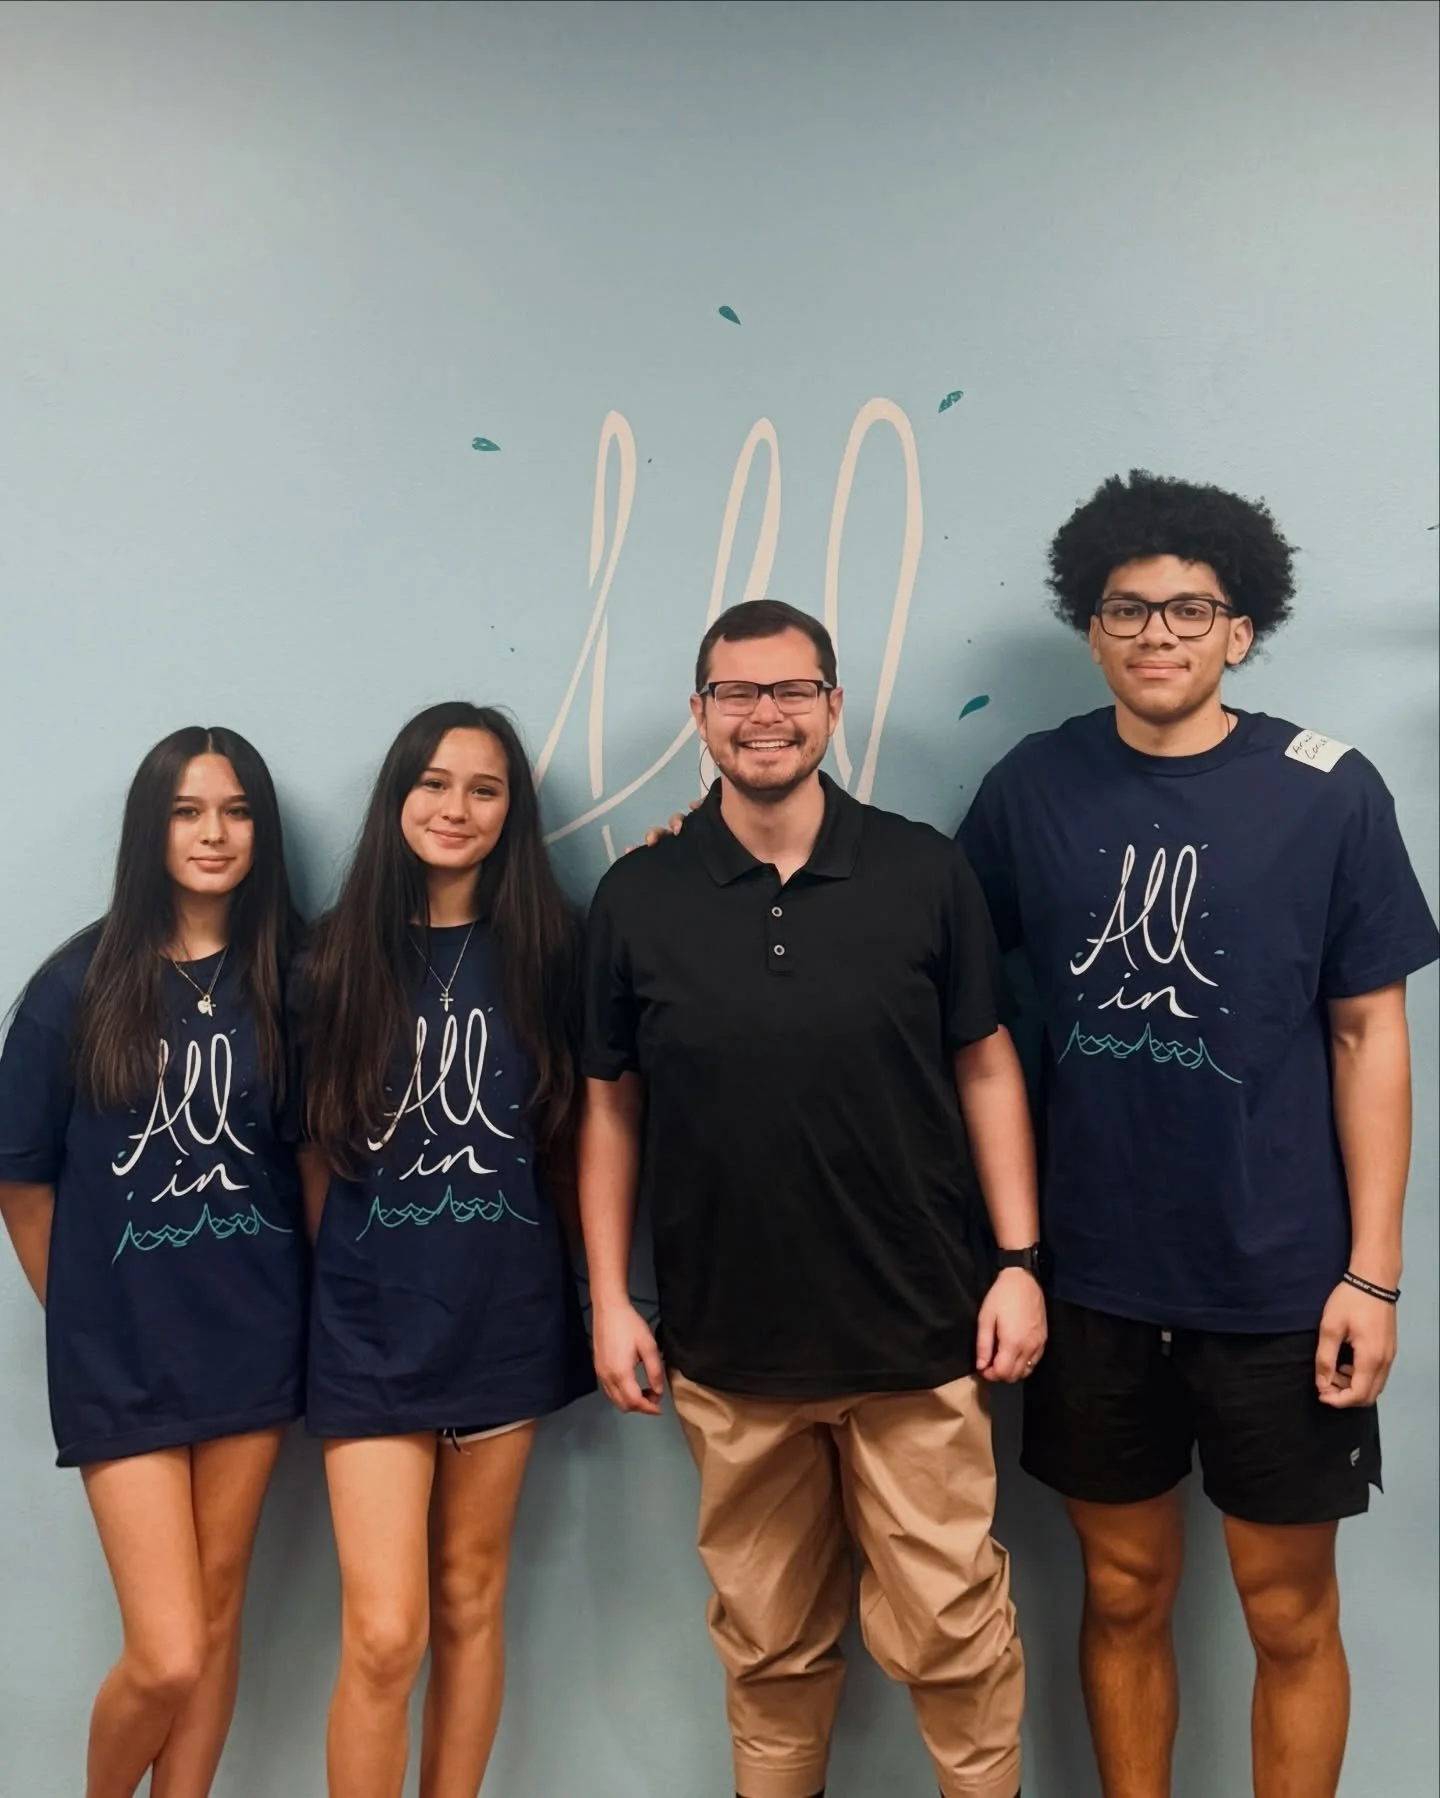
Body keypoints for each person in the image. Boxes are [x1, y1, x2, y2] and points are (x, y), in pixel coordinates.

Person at [956, 470, 1440, 1798]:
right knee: (1119, 1592)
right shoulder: (1032, 786)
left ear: (1242, 628)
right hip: (1092, 1274)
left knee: (1290, 1614)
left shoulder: (1329, 793)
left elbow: (1368, 1036)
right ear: (1092, 624)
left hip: (1281, 1281)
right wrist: (713, 841)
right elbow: (922, 963)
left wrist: (1375, 1271)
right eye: (1129, 607)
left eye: (1190, 608)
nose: (1157, 632)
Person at [581, 599, 1041, 1798]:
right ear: (701, 714)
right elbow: (611, 1107)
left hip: (918, 1333)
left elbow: (986, 1064)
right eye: (738, 692)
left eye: (792, 689)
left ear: (835, 705)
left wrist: (1019, 1260)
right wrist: (607, 1299)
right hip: (730, 1349)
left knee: (953, 1636)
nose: (765, 714)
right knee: (769, 1645)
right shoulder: (638, 897)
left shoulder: (923, 869)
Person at [291, 700, 594, 1798]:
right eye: (432, 781)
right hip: (368, 1332)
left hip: (505, 1318)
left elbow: (572, 1140)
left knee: (471, 1600)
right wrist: (361, 1283)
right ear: (396, 798)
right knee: (385, 1633)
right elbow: (310, 1161)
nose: (455, 806)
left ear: (512, 810)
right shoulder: (326, 961)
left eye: (484, 786)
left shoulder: (554, 948)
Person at [0, 725, 308, 1798]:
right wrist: (86, 1312)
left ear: (260, 830)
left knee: (219, 1612)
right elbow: (23, 1179)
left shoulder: (293, 975)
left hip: (254, 1343)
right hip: (119, 1359)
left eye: (234, 810)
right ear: (152, 829)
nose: (213, 832)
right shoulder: (71, 986)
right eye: (187, 811)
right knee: (168, 1644)